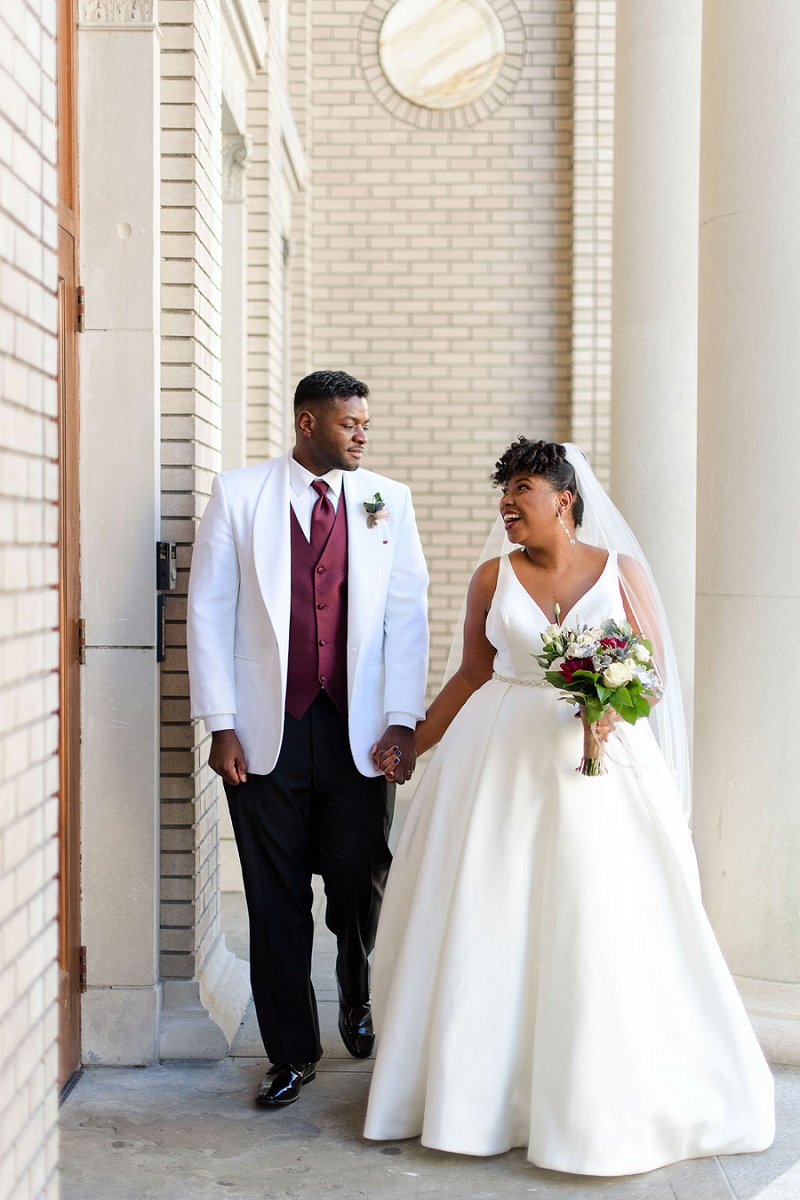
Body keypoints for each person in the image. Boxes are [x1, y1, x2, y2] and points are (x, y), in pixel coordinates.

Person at [363, 438, 774, 1175]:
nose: (507, 504)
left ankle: (596, 1095)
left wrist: (611, 706)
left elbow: (651, 682)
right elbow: (470, 674)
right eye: (505, 492)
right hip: (496, 766)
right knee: (491, 916)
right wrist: (414, 744)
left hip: (600, 770)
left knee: (596, 916)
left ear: (565, 499)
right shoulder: (493, 577)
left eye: (522, 488)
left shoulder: (624, 575)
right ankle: (480, 1095)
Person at [187, 370, 429, 1109]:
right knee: (274, 896)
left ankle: (357, 990)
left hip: (358, 729)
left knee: (359, 877)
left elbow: (407, 616)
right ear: (307, 424)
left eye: (365, 423)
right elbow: (209, 611)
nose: (362, 433)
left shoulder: (390, 501)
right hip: (266, 733)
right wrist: (220, 722)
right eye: (349, 422)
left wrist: (402, 719)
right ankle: (291, 1052)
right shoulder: (239, 495)